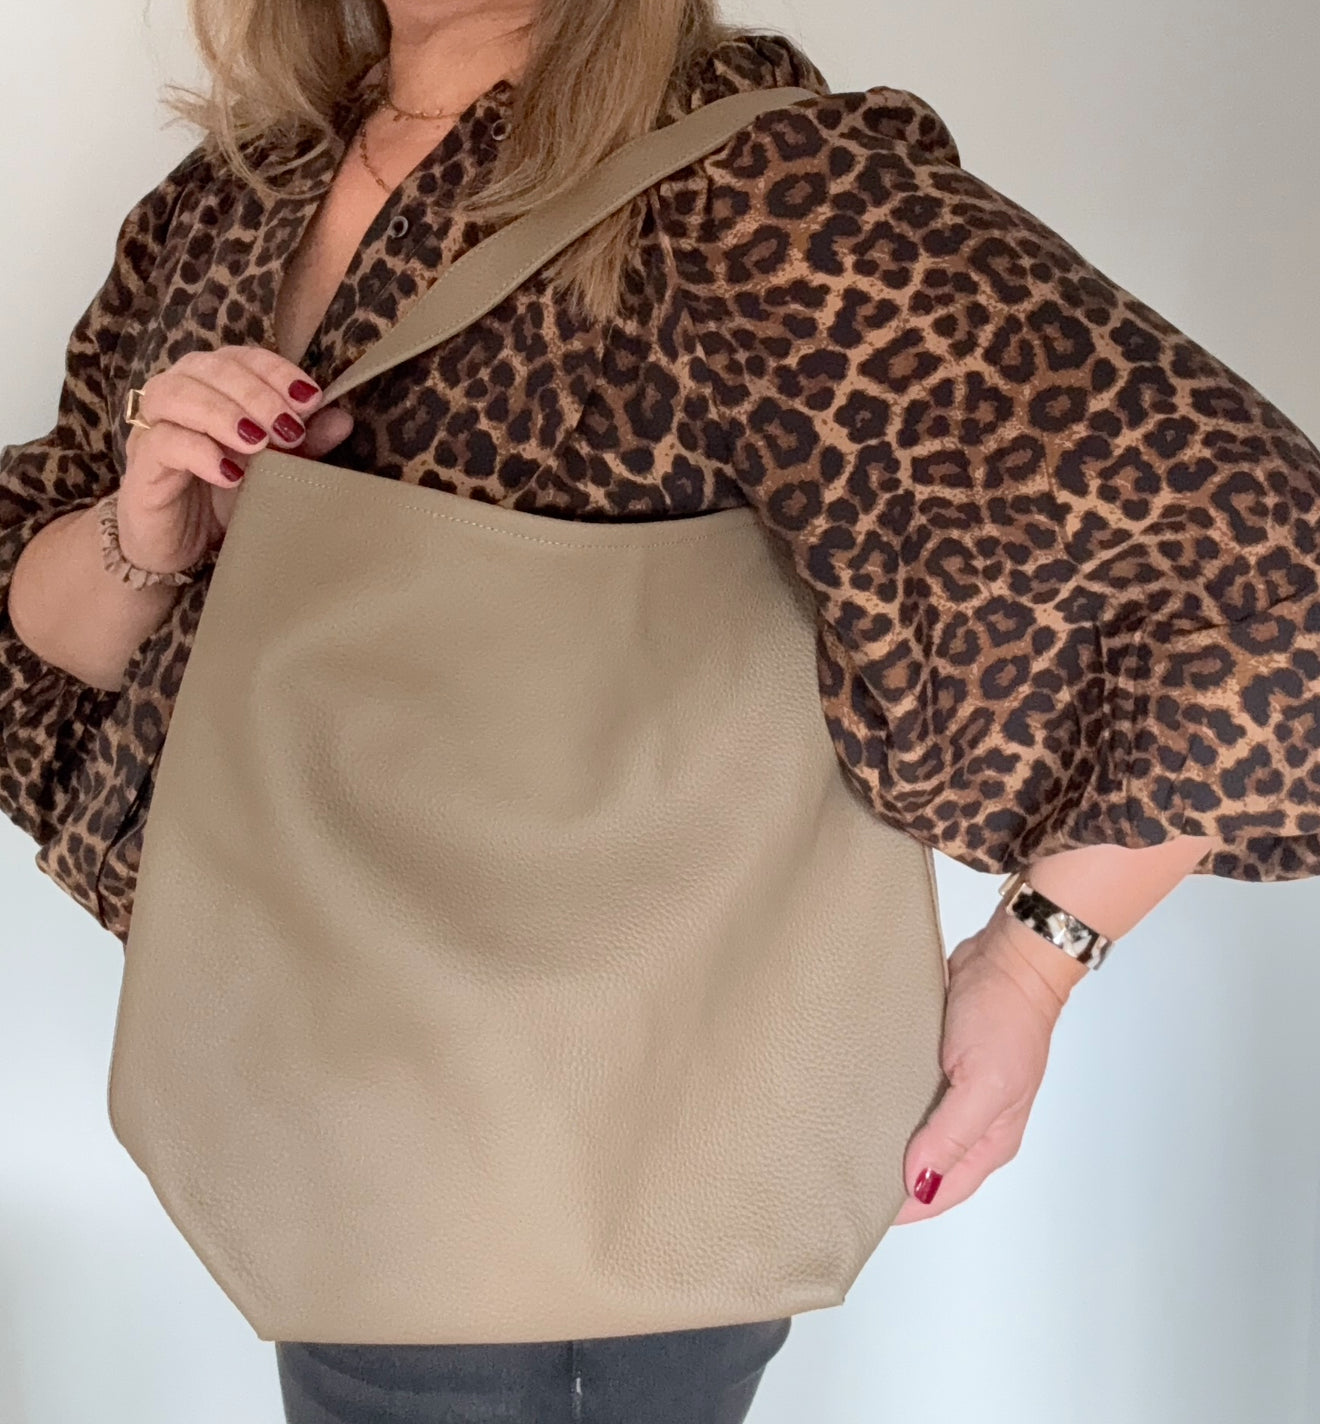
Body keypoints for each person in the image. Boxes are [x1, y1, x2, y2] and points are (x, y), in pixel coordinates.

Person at [3, 0, 1318, 1419]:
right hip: (311, 1079)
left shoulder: (755, 189)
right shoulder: (225, 200)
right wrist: (151, 528)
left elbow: (1257, 555)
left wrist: (1038, 961)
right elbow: (59, 639)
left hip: (626, 1110)